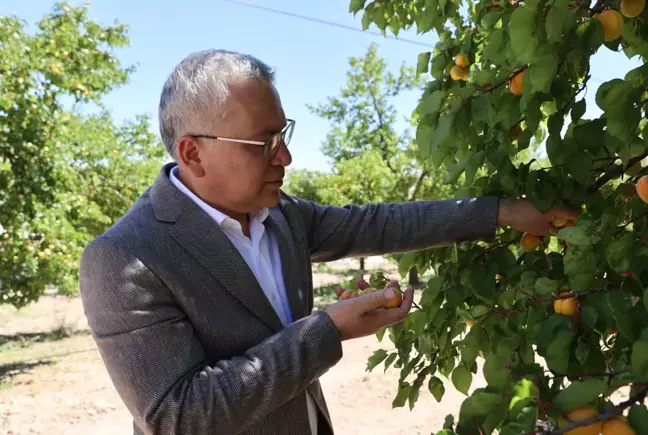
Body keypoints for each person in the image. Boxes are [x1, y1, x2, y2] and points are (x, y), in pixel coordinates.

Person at [78, 49, 580, 435]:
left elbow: (382, 224)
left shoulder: (280, 216)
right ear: (193, 153)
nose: (287, 157)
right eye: (264, 144)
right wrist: (327, 331)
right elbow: (179, 417)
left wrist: (500, 212)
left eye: (283, 133)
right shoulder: (126, 258)